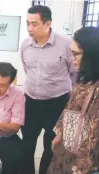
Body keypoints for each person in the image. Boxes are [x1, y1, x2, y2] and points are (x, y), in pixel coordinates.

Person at [20, 5, 77, 174]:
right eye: (27, 23)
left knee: (51, 146)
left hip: (57, 103)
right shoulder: (25, 46)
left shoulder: (66, 44)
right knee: (27, 146)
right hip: (31, 102)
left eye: (34, 24)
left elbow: (74, 75)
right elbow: (27, 70)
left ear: (47, 24)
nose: (30, 28)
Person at [48, 27, 99, 174]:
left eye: (76, 54)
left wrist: (81, 166)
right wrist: (60, 134)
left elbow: (94, 135)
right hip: (67, 150)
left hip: (84, 160)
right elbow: (70, 109)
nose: (72, 59)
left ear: (92, 55)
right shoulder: (84, 79)